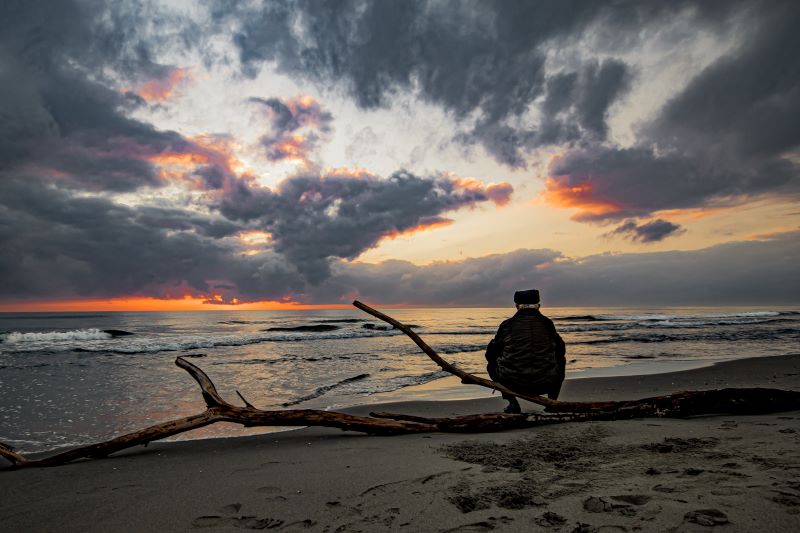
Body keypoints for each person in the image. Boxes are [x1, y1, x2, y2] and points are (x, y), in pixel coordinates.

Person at [485, 289, 566, 413]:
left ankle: (513, 403)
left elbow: (490, 354)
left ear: (517, 306)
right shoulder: (547, 323)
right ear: (539, 306)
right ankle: (551, 402)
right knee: (561, 360)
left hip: (513, 384)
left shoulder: (507, 325)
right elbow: (561, 350)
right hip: (546, 382)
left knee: (491, 364)